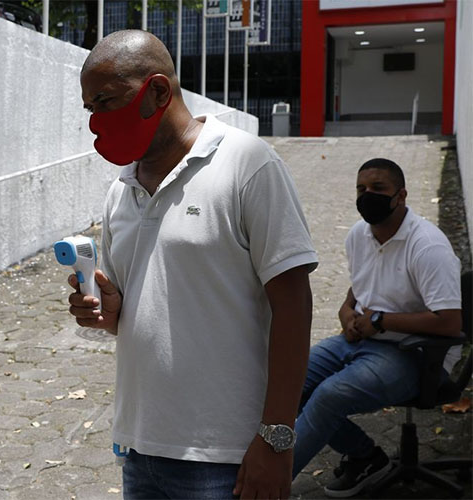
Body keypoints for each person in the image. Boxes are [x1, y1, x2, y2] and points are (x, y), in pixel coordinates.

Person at [67, 30, 318, 499]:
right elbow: (128, 308)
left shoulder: (249, 165)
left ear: (158, 91)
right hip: (140, 448)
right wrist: (105, 310)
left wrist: (277, 439)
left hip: (227, 457)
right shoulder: (121, 190)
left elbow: (294, 306)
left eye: (105, 101)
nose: (97, 121)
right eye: (90, 108)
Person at [292, 158, 462, 497]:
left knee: (328, 396)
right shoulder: (358, 235)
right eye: (361, 189)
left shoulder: (427, 245)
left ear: (401, 196)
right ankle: (366, 457)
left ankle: (265, 485)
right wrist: (345, 311)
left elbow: (450, 322)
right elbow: (360, 287)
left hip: (416, 354)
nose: (367, 195)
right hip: (361, 340)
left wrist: (381, 321)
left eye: (378, 189)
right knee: (289, 382)